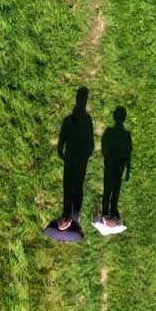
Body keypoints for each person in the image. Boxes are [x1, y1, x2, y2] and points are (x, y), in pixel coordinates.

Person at [58, 87, 95, 222]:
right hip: (79, 158)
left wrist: (61, 151)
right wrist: (86, 155)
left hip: (71, 157)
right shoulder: (87, 120)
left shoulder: (69, 119)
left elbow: (62, 138)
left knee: (69, 184)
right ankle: (74, 214)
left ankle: (68, 213)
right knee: (77, 184)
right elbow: (91, 142)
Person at [101, 106, 132, 223]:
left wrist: (109, 156)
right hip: (118, 164)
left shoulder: (109, 131)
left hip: (111, 163)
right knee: (115, 189)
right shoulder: (126, 135)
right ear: (124, 118)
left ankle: (106, 213)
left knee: (108, 189)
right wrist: (127, 170)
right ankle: (111, 211)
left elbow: (104, 149)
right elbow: (128, 152)